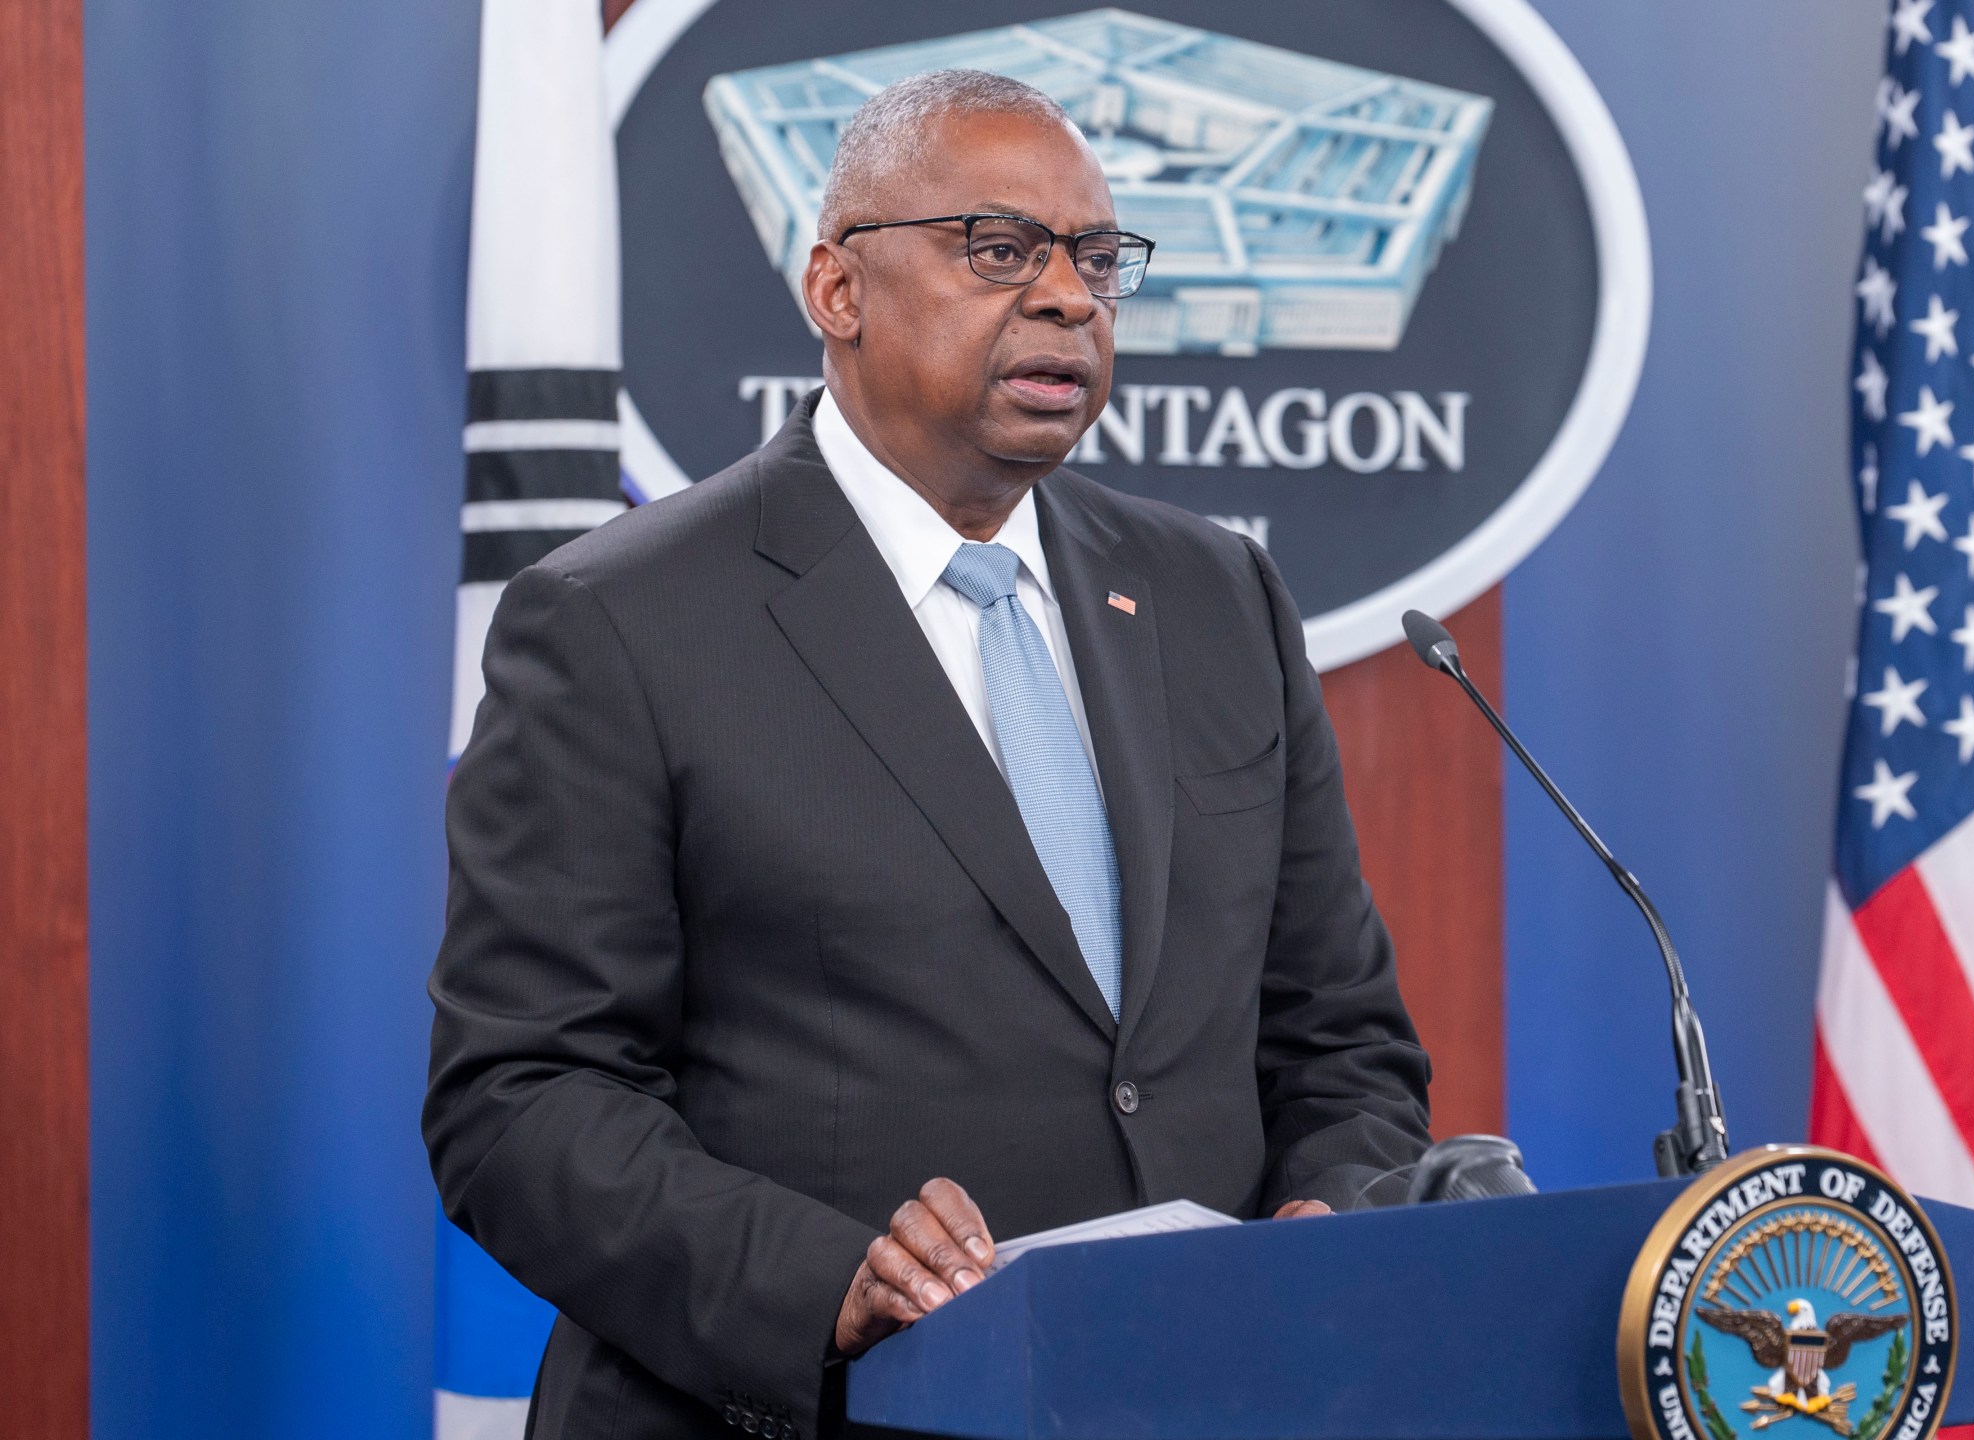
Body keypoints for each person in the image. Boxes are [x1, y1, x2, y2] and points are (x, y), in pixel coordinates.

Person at [422, 68, 1434, 1440]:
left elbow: (1340, 1037)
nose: (1070, 297)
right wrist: (826, 1280)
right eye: (1000, 250)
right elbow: (523, 1095)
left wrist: (1341, 1214)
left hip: (1198, 1394)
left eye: (1096, 258)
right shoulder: (618, 623)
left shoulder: (1217, 597)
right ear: (838, 291)